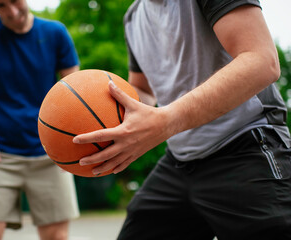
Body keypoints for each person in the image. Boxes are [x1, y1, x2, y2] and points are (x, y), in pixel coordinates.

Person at [73, 0, 291, 239]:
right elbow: (142, 91)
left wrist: (166, 121)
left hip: (245, 143)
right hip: (180, 159)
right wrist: (94, 124)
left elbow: (262, 61)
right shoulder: (133, 17)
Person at [0, 0, 80, 239]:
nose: (12, 12)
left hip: (49, 153)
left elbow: (75, 91)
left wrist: (71, 139)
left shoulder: (56, 33)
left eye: (15, 1)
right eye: (1, 5)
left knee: (57, 236)